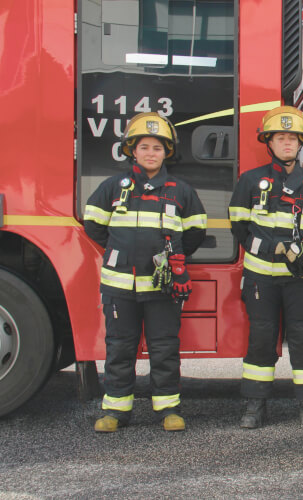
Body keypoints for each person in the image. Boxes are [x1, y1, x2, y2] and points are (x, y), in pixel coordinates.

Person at [84, 112, 207, 433]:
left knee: (164, 348)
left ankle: (168, 410)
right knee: (120, 348)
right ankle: (115, 411)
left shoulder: (181, 191)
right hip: (119, 287)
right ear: (131, 151)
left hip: (162, 288)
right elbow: (93, 226)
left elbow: (195, 232)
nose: (151, 153)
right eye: (144, 147)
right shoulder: (113, 187)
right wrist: (119, 250)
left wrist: (175, 260)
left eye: (157, 147)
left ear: (167, 152)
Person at [228, 106, 303, 430]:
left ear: (301, 142)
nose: (287, 143)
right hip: (261, 278)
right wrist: (270, 248)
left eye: (293, 138)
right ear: (268, 142)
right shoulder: (249, 181)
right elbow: (238, 229)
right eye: (280, 137)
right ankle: (254, 406)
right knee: (261, 339)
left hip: (300, 280)